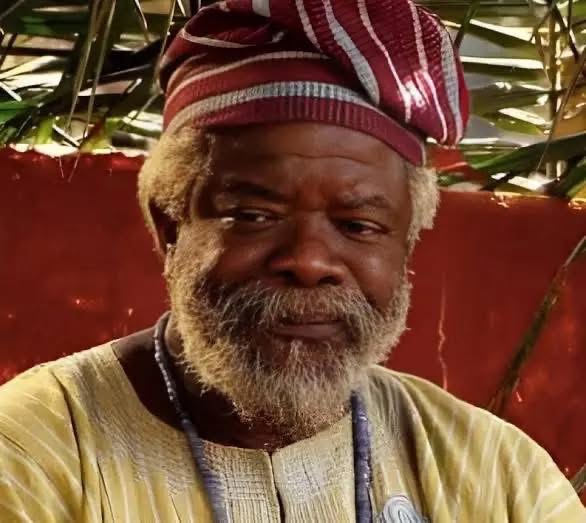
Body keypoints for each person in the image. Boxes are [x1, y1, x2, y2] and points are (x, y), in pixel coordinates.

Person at [1, 0, 583, 521]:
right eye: (255, 215)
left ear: (406, 244)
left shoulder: (500, 477)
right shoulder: (29, 458)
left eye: (357, 225)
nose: (308, 261)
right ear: (170, 224)